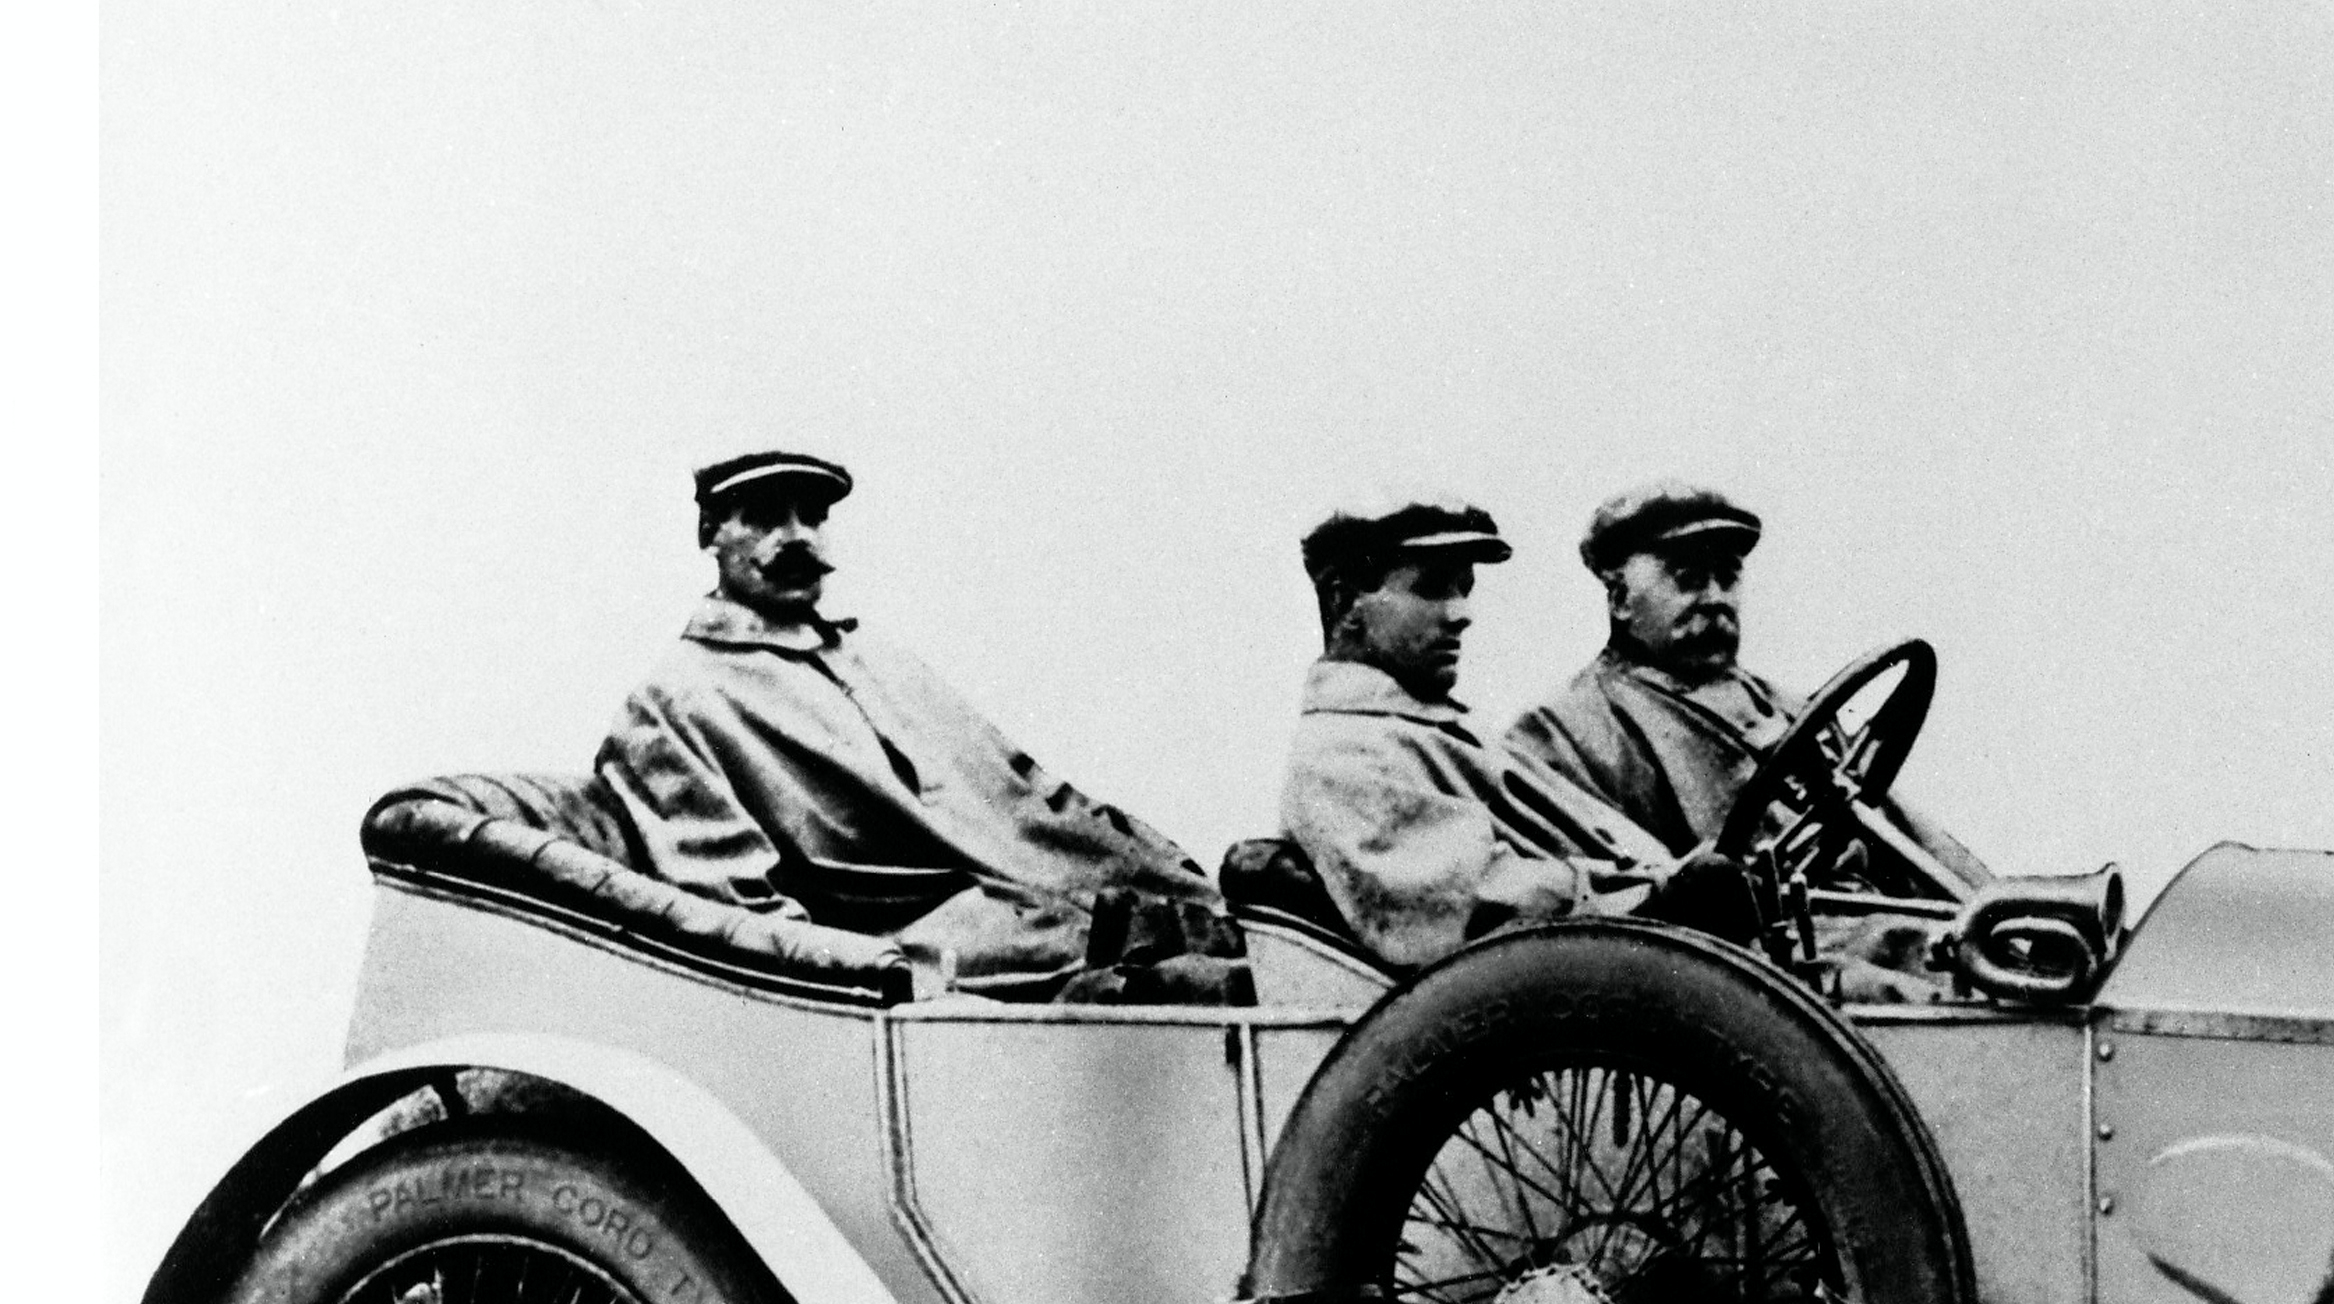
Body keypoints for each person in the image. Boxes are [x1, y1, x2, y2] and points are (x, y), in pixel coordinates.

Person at [592, 450, 1239, 998]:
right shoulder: (674, 702)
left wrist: (1185, 882)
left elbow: (1029, 797)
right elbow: (742, 922)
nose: (796, 538)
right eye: (763, 517)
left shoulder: (879, 661)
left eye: (811, 516)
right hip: (977, 976)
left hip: (1108, 926)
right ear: (709, 532)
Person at [1276, 495, 1759, 975]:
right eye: (1432, 589)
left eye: (1464, 589)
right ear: (1345, 602)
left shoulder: (1429, 728)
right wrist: (1656, 896)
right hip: (1595, 983)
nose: (1461, 613)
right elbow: (1466, 903)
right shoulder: (1342, 756)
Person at [1502, 481, 1989, 891]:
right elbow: (1609, 901)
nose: (1714, 598)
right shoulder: (1563, 732)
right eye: (1688, 579)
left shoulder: (1796, 711)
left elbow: (1900, 832)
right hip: (1755, 956)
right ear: (1621, 599)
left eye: (1728, 577)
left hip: (1877, 924)